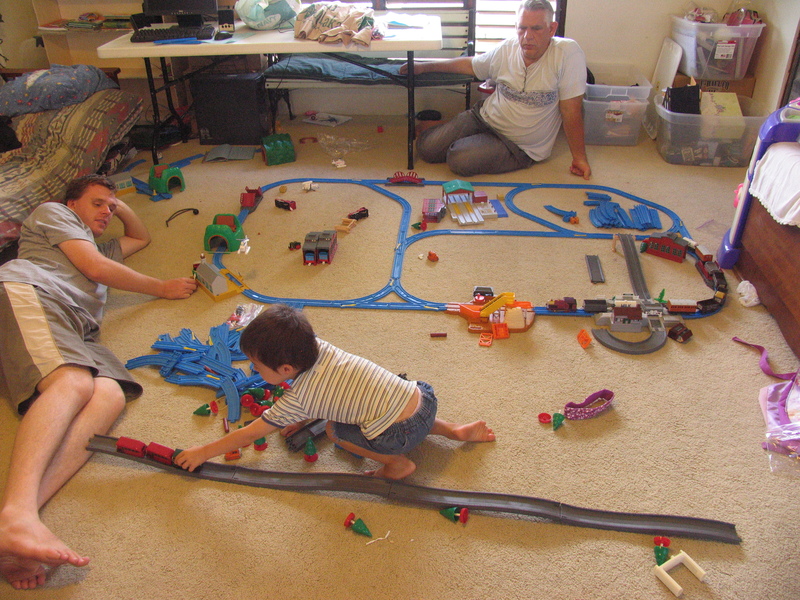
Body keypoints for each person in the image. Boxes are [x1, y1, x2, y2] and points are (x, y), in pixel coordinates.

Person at [0, 175, 197, 590]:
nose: (107, 211)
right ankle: (15, 515)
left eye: (109, 207)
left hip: (79, 327)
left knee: (108, 394)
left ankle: (21, 523)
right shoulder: (53, 213)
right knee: (73, 384)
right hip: (33, 292)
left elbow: (138, 239)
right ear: (70, 203)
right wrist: (160, 287)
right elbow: (94, 268)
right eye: (97, 204)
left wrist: (117, 203)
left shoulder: (94, 241)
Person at [175, 304, 495, 479]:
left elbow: (248, 434)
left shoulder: (300, 398)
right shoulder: (317, 346)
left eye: (257, 366)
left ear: (286, 370)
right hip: (424, 400)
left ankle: (397, 465)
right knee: (392, 402)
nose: (253, 371)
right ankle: (452, 430)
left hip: (399, 437)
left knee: (335, 430)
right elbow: (336, 391)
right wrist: (301, 419)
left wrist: (202, 453)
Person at [401, 0, 591, 179]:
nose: (528, 36)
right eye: (522, 28)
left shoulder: (568, 54)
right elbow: (471, 65)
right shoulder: (508, 48)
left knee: (459, 159)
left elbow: (571, 111)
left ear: (552, 29)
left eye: (536, 28)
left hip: (518, 145)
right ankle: (449, 131)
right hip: (484, 117)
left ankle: (464, 138)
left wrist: (579, 158)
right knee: (426, 149)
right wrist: (424, 66)